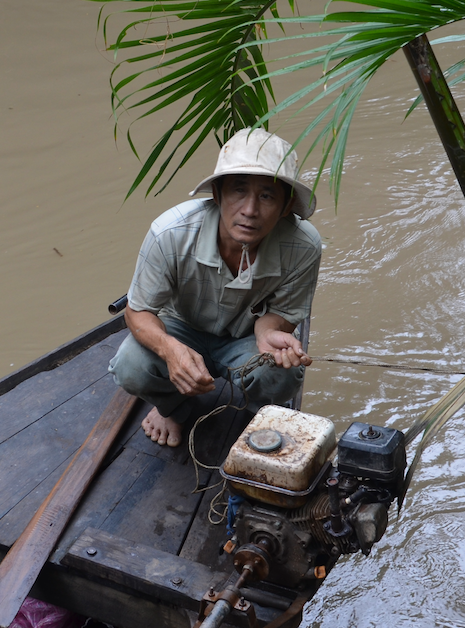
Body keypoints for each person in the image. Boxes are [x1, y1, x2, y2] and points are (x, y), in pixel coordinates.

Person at [110, 128, 322, 447]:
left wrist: (268, 333)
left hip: (244, 337)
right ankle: (173, 408)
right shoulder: (170, 233)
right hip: (181, 326)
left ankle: (256, 418)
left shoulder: (304, 245)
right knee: (131, 367)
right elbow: (138, 311)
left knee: (282, 374)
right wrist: (170, 349)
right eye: (238, 191)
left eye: (266, 195)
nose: (249, 210)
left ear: (285, 205)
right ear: (217, 194)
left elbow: (281, 313)